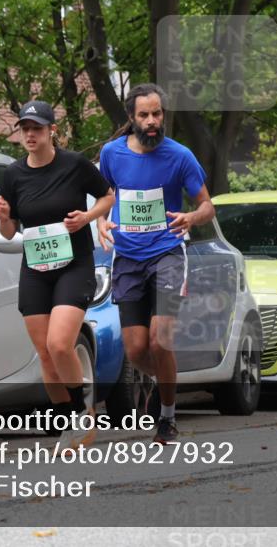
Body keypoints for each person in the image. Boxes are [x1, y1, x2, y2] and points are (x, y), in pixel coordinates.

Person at [97, 83, 215, 445]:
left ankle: (166, 416)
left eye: (157, 114)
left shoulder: (179, 156)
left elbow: (207, 205)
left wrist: (191, 219)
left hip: (166, 253)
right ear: (131, 118)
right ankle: (163, 381)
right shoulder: (112, 154)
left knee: (160, 341)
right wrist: (101, 222)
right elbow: (104, 197)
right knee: (134, 350)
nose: (152, 121)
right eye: (144, 115)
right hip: (128, 257)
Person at [0, 101, 114, 448]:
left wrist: (87, 219)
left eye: (37, 128)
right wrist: (3, 216)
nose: (30, 135)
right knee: (44, 354)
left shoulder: (74, 165)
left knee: (59, 344)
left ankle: (80, 413)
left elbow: (108, 197)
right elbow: (8, 232)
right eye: (25, 129)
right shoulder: (13, 174)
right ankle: (70, 422)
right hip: (35, 269)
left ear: (51, 131)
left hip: (74, 265)